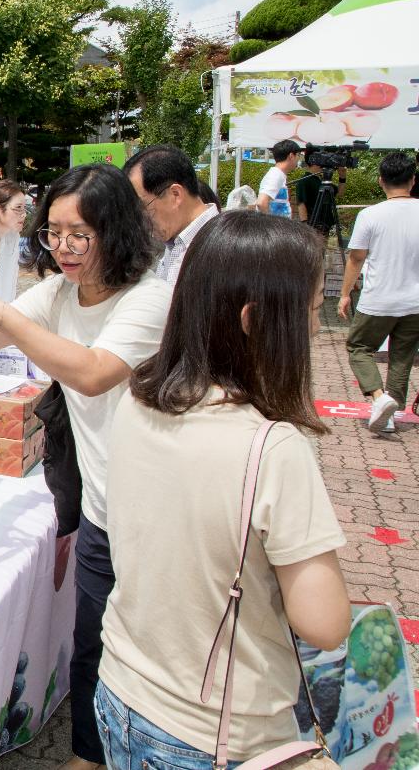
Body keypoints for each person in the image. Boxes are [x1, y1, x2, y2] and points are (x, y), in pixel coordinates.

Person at [0, 164, 170, 770]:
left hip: (161, 515)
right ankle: (90, 755)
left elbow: (91, 370)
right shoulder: (59, 293)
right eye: (53, 233)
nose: (63, 247)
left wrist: (4, 317)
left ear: (116, 232)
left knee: (154, 652)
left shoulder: (151, 298)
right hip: (100, 509)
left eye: (79, 234)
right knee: (92, 643)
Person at [97, 212, 350, 769]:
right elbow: (326, 625)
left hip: (120, 689)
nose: (313, 327)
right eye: (309, 312)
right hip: (214, 734)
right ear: (255, 321)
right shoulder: (274, 448)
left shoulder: (139, 397)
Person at [337, 152, 419, 433]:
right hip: (415, 302)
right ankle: (389, 413)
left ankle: (378, 397)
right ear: (413, 180)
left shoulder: (370, 215)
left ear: (381, 180)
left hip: (378, 300)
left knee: (359, 347)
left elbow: (356, 257)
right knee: (401, 357)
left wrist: (345, 293)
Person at [124, 144, 219, 288]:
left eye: (142, 206)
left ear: (175, 195)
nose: (140, 219)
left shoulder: (224, 247)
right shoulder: (174, 243)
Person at [293, 154, 347, 233]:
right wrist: (305, 225)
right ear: (315, 162)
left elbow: (340, 193)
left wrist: (342, 177)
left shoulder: (322, 180)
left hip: (326, 223)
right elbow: (301, 203)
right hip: (313, 224)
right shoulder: (304, 181)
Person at [256, 139, 300, 217]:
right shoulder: (275, 175)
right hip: (274, 227)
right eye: (298, 155)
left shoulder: (278, 174)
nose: (298, 159)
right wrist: (271, 225)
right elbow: (261, 203)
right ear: (291, 156)